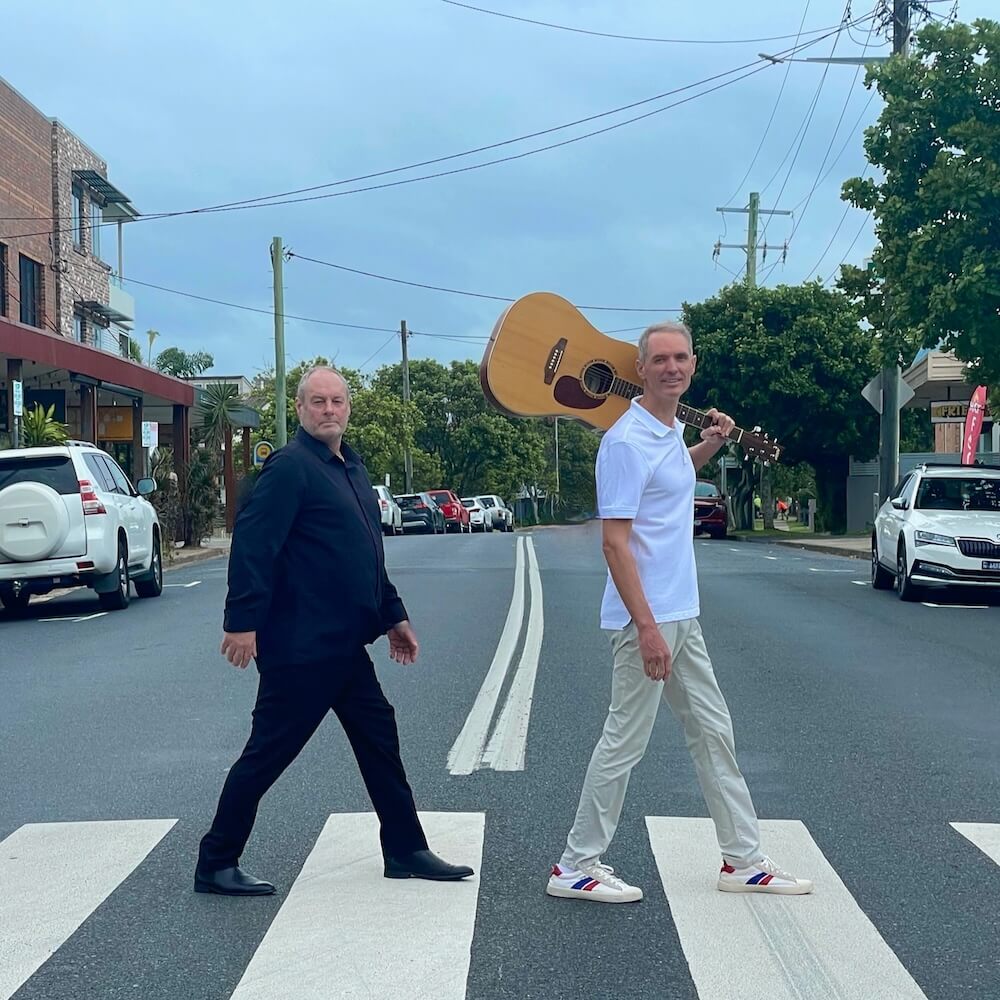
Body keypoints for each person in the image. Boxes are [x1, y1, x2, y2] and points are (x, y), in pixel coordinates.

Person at [546, 322, 812, 904]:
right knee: (625, 741)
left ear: (693, 365)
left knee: (714, 732)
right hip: (648, 619)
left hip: (680, 615)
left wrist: (712, 443)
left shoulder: (665, 433)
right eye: (660, 359)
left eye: (681, 357)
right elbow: (614, 543)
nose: (672, 367)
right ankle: (575, 864)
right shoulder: (624, 441)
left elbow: (671, 479)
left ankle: (742, 859)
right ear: (640, 369)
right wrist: (645, 629)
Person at [195, 366, 474, 895]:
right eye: (317, 402)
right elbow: (254, 545)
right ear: (300, 409)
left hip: (342, 645)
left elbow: (366, 553)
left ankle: (405, 848)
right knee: (269, 752)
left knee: (379, 736)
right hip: (300, 647)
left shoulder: (350, 468)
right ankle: (216, 860)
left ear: (348, 408)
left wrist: (394, 616)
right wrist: (241, 623)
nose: (328, 410)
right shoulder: (290, 468)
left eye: (337, 401)